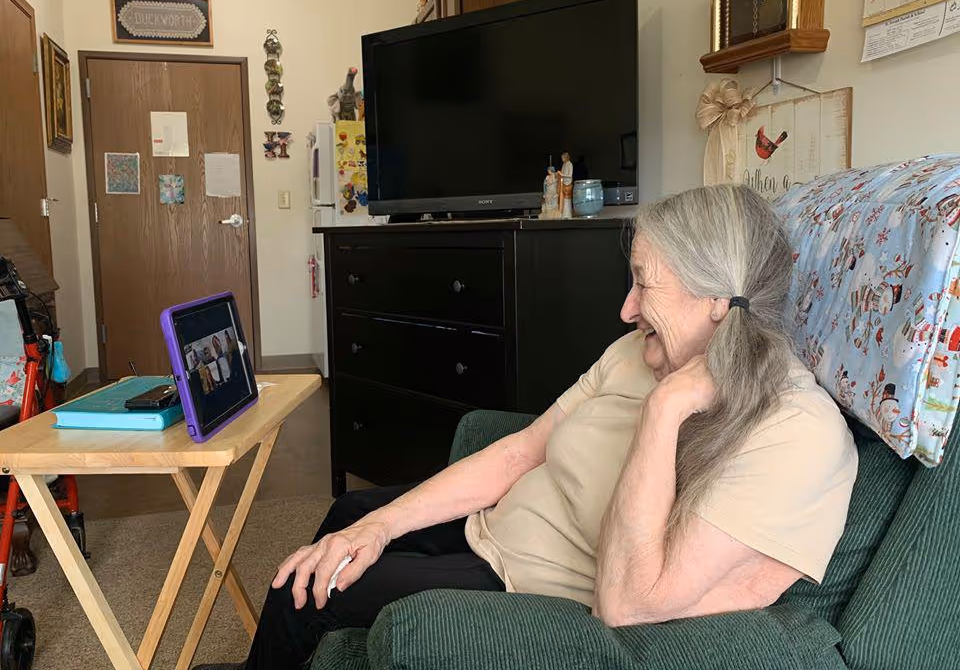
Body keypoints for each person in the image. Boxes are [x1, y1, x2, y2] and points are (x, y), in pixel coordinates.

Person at [195, 184, 858, 670]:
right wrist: (381, 524)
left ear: (716, 300)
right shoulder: (640, 352)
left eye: (643, 284)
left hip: (526, 585)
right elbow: (519, 453)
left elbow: (631, 606)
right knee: (350, 514)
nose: (627, 309)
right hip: (496, 524)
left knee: (300, 594)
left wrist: (663, 411)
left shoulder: (793, 434)